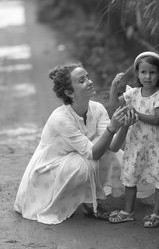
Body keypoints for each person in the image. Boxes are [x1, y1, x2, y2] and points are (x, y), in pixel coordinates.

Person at [14, 64, 135, 225]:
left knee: (114, 156)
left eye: (88, 77)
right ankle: (87, 204)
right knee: (85, 164)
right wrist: (112, 128)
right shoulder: (61, 118)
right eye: (82, 81)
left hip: (74, 161)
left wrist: (125, 126)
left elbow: (112, 147)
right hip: (49, 169)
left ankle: (85, 199)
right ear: (69, 93)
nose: (89, 82)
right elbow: (93, 154)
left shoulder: (97, 108)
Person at [108, 51, 159, 227]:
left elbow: (156, 120)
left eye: (152, 72)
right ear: (137, 73)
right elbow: (113, 107)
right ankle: (128, 211)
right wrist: (113, 87)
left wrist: (135, 113)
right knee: (130, 176)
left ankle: (156, 213)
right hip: (137, 144)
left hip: (157, 145)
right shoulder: (132, 94)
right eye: (143, 72)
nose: (147, 76)